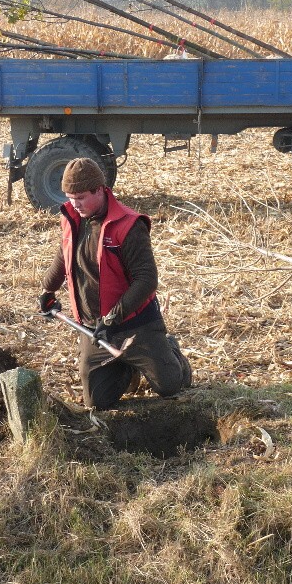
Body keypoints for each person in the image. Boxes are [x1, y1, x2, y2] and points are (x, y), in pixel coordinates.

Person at [39, 157, 191, 410]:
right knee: (98, 402)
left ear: (100, 189)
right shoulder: (71, 218)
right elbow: (63, 256)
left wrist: (114, 318)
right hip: (95, 328)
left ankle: (171, 353)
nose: (74, 204)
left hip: (135, 325)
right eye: (70, 197)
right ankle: (125, 367)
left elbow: (147, 280)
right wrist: (48, 289)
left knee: (169, 387)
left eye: (81, 197)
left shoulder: (129, 226)